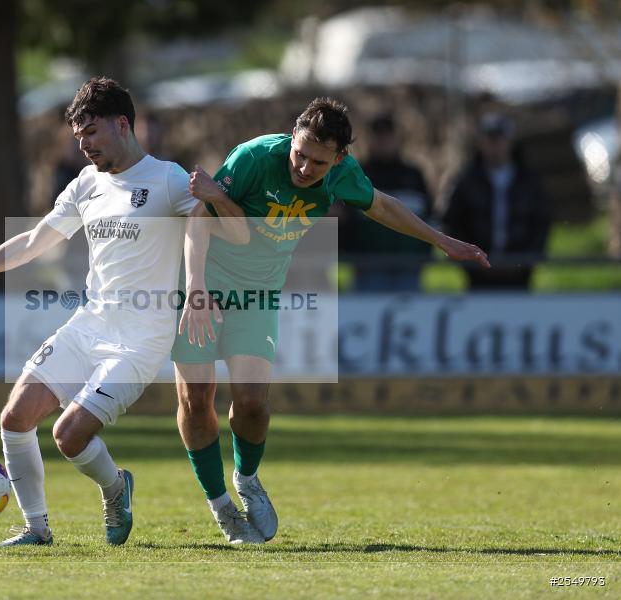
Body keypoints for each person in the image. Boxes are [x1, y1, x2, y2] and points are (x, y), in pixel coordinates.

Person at [173, 97, 489, 544]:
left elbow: (382, 207)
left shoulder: (343, 174)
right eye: (300, 154)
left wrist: (442, 241)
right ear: (293, 138)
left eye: (317, 162)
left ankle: (246, 479)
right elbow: (198, 219)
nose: (303, 168)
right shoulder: (254, 157)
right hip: (201, 283)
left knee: (252, 404)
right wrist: (196, 288)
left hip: (257, 295)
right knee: (196, 400)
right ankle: (220, 505)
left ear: (339, 158)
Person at [0, 77, 208, 547]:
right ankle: (36, 528)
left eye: (91, 133)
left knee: (68, 434)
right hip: (90, 322)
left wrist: (199, 287)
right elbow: (35, 241)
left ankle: (116, 489)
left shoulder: (169, 179)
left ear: (122, 123)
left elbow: (207, 224)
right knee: (14, 418)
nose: (84, 144)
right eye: (77, 136)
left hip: (143, 337)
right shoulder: (85, 185)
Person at [442, 112, 550, 290]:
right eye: (490, 139)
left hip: (520, 274)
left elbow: (541, 224)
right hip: (477, 274)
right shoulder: (466, 182)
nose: (495, 145)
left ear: (510, 141)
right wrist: (471, 262)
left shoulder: (529, 181)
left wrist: (525, 262)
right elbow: (453, 223)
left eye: (499, 138)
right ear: (481, 142)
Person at [340, 112, 434, 291]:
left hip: (409, 267)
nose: (383, 140)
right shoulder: (356, 174)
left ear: (397, 138)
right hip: (367, 269)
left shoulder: (414, 175)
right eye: (378, 135)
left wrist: (423, 256)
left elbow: (428, 219)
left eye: (387, 135)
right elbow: (345, 219)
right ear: (369, 139)